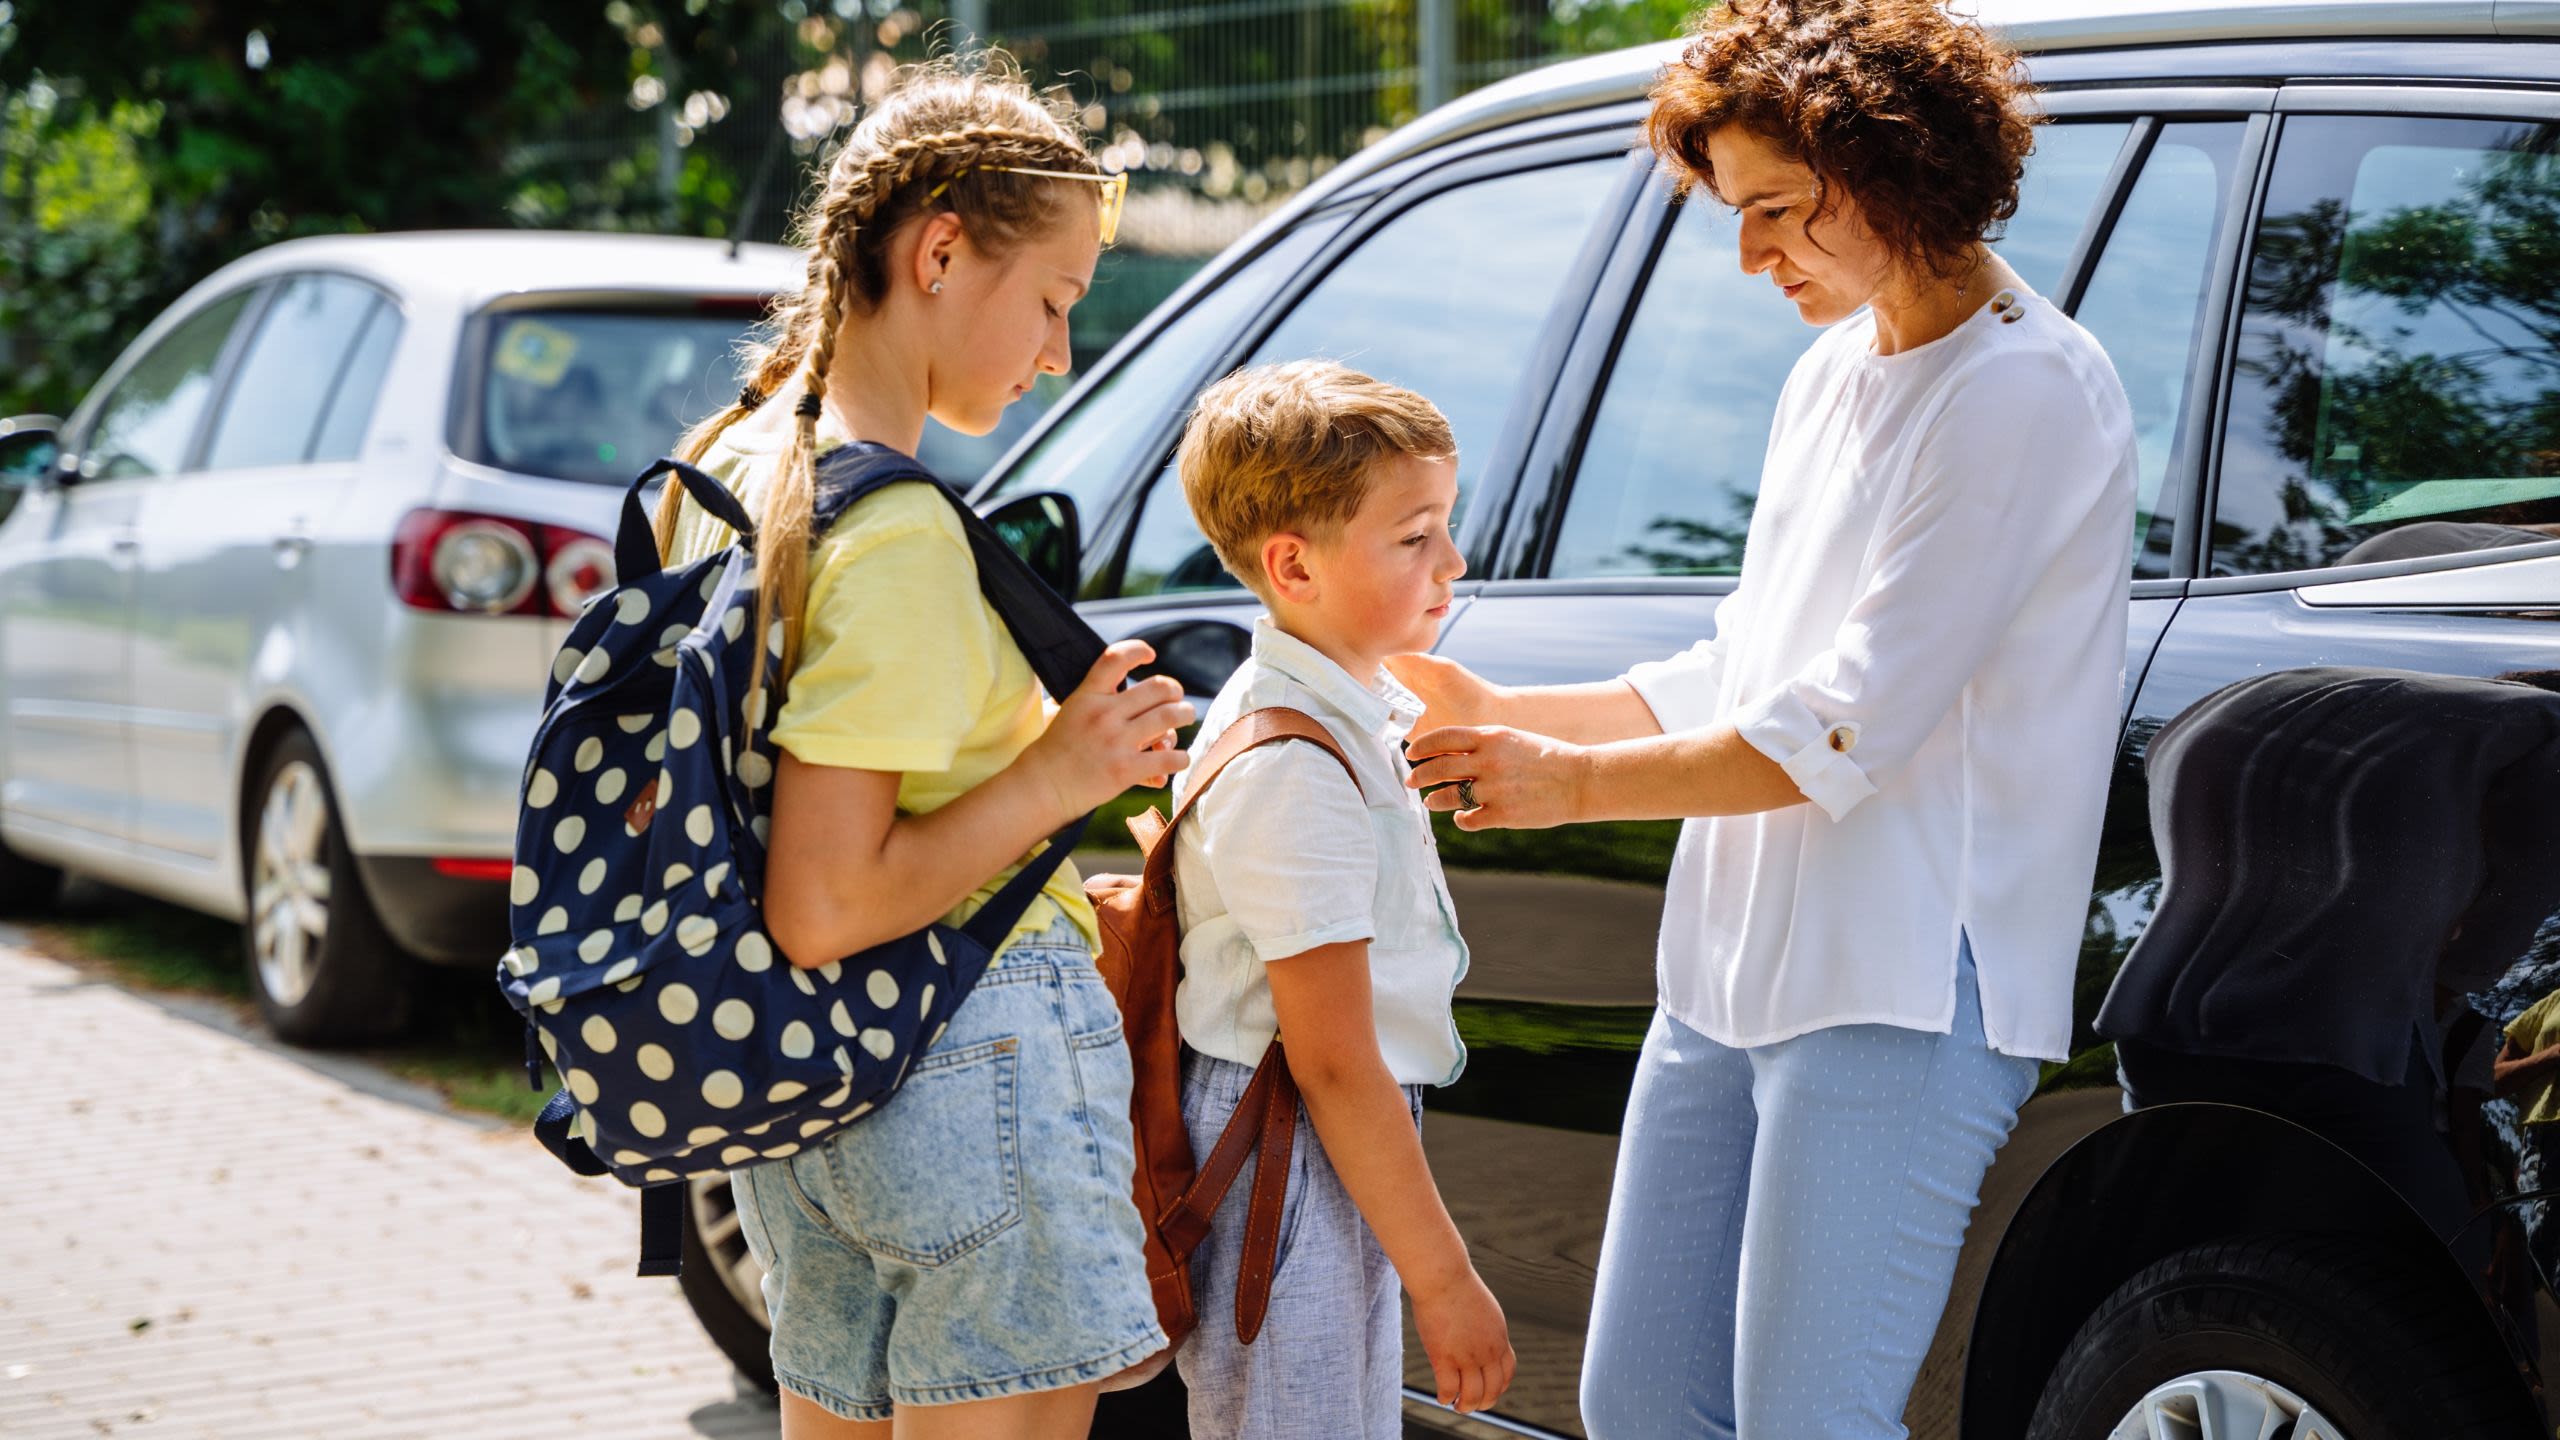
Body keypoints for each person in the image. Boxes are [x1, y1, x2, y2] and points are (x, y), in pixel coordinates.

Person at [1388, 1, 2138, 1433]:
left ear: (1900, 168)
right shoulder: (1832, 374)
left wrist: (1568, 782)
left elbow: (1843, 727)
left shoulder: (2026, 390)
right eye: (1736, 212)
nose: (1749, 254)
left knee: (1809, 1419)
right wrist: (1507, 709)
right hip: (1728, 970)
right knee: (1644, 1406)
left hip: (1907, 986)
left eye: (1780, 210)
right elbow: (1755, 656)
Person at [652, 59, 1188, 1440]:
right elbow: (825, 901)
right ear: (940, 250)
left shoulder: (727, 463)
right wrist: (1065, 775)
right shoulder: (890, 538)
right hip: (969, 1072)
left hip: (802, 1096)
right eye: (1055, 300)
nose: (1060, 348)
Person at [1165, 360, 1514, 1438]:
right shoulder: (1292, 765)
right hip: (1284, 1139)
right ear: (1292, 566)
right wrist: (1445, 1279)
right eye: (1414, 538)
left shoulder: (1350, 708)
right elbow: (1330, 1056)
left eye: (1445, 526)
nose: (1451, 562)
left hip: (1318, 1136)